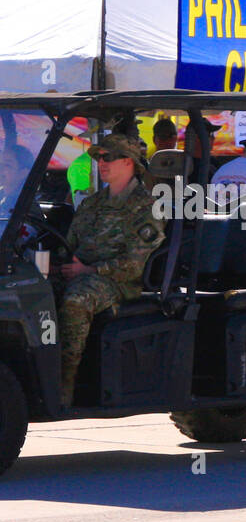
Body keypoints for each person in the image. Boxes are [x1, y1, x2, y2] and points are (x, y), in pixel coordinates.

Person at [55, 134, 164, 406]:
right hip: (81, 272)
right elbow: (68, 245)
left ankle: (64, 386)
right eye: (98, 157)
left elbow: (134, 264)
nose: (101, 163)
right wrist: (56, 267)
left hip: (116, 283)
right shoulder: (93, 203)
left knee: (75, 300)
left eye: (108, 157)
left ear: (128, 162)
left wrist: (91, 270)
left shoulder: (145, 207)